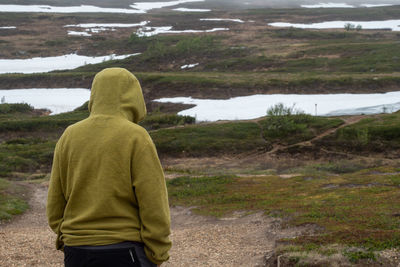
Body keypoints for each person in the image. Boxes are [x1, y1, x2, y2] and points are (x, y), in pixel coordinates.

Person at [46, 68, 172, 267]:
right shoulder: (136, 136)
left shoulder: (69, 135)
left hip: (77, 250)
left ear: (95, 94)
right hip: (125, 249)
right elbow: (153, 201)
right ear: (133, 96)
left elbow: (55, 201)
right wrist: (157, 252)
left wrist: (66, 236)